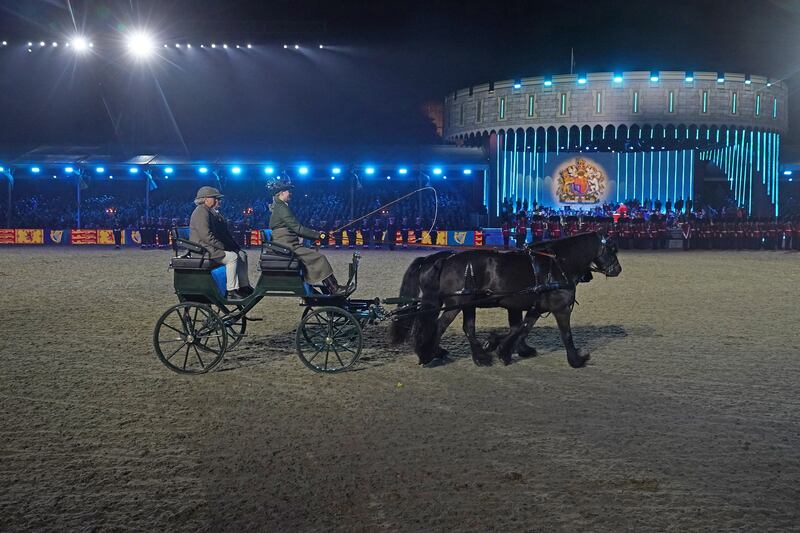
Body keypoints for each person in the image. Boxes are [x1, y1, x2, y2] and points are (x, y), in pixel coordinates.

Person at [267, 178, 346, 295]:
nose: (290, 193)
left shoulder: (280, 206)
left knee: (315, 257)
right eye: (288, 191)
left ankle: (332, 287)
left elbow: (296, 228)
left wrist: (317, 235)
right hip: (287, 245)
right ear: (281, 193)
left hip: (286, 242)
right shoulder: (282, 208)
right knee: (319, 257)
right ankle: (334, 288)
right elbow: (298, 229)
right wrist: (319, 235)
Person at [190, 186, 252, 301]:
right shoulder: (201, 211)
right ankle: (231, 291)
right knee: (232, 257)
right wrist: (223, 247)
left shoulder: (209, 211)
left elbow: (220, 233)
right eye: (215, 198)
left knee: (241, 254)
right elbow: (206, 236)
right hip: (203, 249)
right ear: (205, 199)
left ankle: (244, 286)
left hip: (208, 247)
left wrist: (233, 247)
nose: (218, 201)